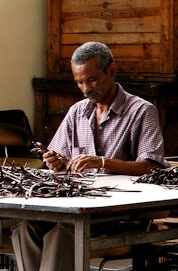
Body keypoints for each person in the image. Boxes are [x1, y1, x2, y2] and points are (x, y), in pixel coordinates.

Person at [11, 41, 166, 271]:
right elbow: (58, 158)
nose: (85, 89)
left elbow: (153, 167)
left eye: (92, 80)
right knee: (25, 229)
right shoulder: (77, 112)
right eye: (79, 82)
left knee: (62, 234)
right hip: (76, 205)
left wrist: (102, 162)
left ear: (111, 70)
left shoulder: (141, 111)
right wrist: (56, 162)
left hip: (119, 212)